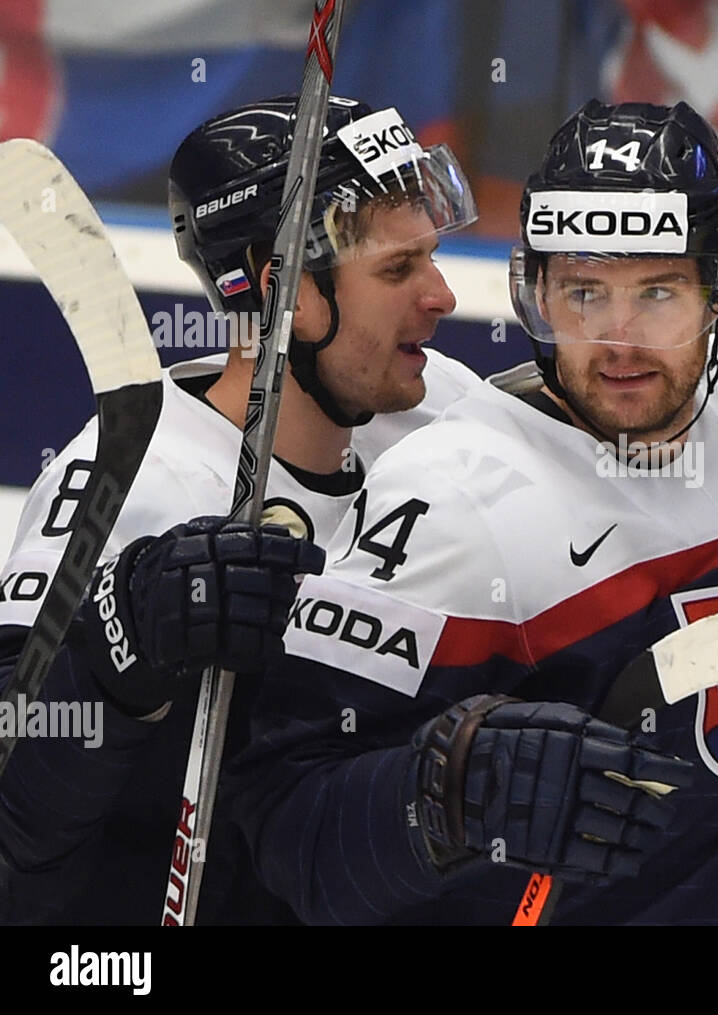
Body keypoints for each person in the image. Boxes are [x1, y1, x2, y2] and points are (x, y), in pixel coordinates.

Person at [226, 98, 718, 925]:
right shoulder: (449, 500)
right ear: (535, 289)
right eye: (584, 291)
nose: (620, 342)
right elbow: (291, 826)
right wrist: (441, 794)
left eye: (657, 292)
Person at [0, 95, 480, 924]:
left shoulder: (441, 413)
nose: (440, 296)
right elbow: (13, 804)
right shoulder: (128, 479)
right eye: (398, 270)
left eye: (431, 258)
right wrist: (124, 642)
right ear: (280, 286)